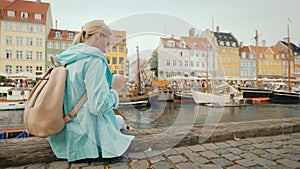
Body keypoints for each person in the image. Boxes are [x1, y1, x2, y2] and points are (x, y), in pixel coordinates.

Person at [48, 20, 134, 162]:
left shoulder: (67, 59)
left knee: (119, 120)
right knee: (120, 121)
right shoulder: (94, 60)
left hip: (66, 134)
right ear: (99, 35)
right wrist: (115, 89)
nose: (106, 50)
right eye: (107, 44)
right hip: (87, 138)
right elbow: (98, 107)